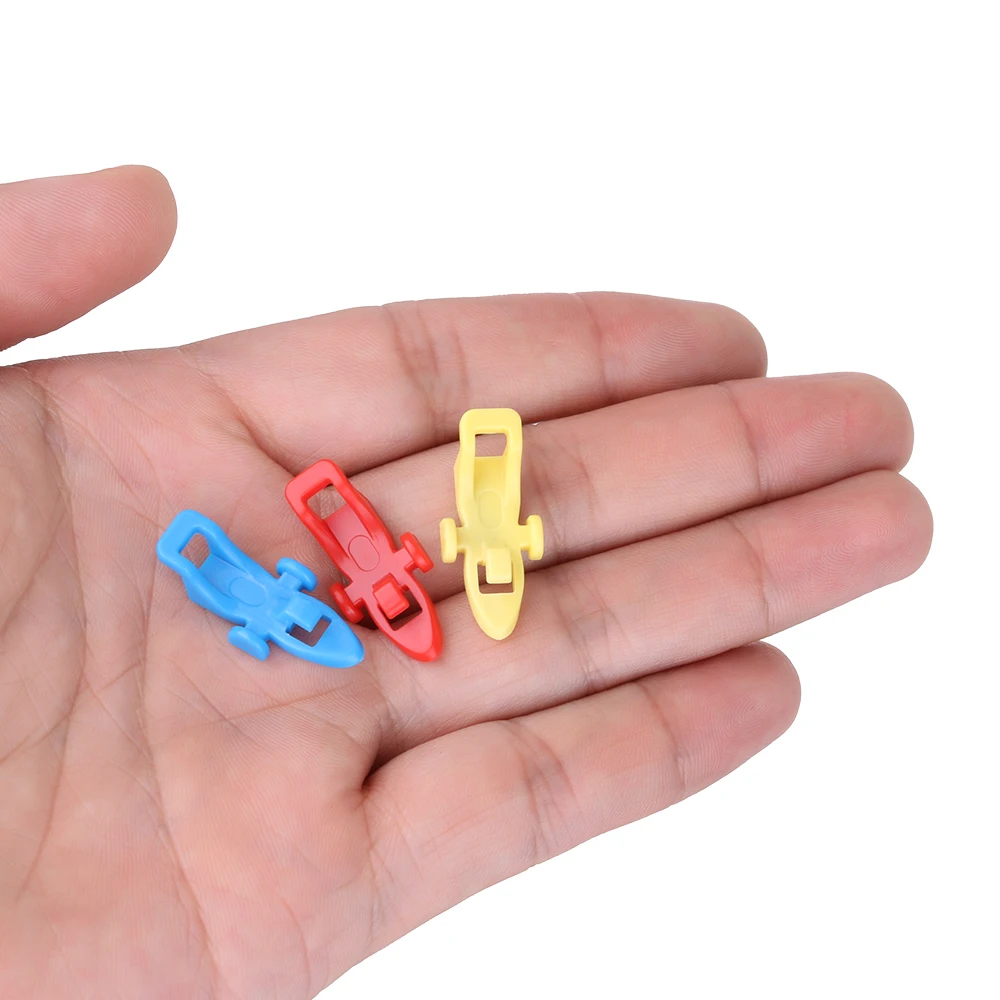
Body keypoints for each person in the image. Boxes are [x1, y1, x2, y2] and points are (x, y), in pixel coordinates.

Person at [0, 166, 932, 999]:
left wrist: (383, 573)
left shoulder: (360, 586)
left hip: (387, 555)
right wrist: (303, 599)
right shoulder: (282, 609)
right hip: (293, 582)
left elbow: (371, 562)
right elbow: (278, 594)